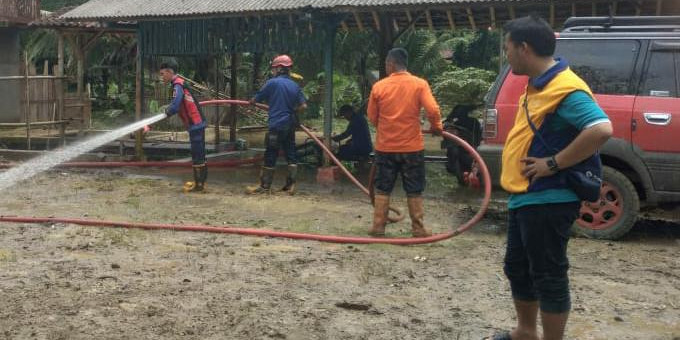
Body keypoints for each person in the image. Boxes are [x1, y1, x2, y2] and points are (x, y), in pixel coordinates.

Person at [487, 16, 613, 340]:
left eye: (508, 48)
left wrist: (553, 164)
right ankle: (525, 332)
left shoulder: (565, 89)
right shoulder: (538, 84)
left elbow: (600, 129)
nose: (507, 55)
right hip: (526, 196)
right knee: (518, 267)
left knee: (547, 273)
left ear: (523, 48)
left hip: (549, 197)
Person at [366, 47, 443, 238]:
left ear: (390, 64)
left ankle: (378, 227)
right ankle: (418, 228)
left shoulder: (379, 87)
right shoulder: (419, 84)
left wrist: (385, 127)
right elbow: (433, 110)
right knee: (414, 187)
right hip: (412, 148)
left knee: (383, 187)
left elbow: (372, 116)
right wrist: (437, 127)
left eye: (386, 64)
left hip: (385, 147)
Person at [246, 54, 307, 195]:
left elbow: (255, 99)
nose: (273, 71)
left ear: (279, 68)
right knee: (291, 153)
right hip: (290, 124)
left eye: (274, 68)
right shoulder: (294, 86)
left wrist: (251, 102)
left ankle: (265, 186)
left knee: (271, 154)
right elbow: (304, 106)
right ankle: (290, 186)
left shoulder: (272, 83)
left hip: (277, 124)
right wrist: (292, 110)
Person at [159, 61, 208, 192]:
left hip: (195, 124)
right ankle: (200, 183)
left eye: (162, 74)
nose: (161, 77)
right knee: (199, 153)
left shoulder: (177, 85)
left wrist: (166, 112)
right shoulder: (179, 83)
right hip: (197, 123)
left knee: (197, 154)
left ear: (170, 72)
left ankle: (199, 186)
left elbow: (175, 106)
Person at [442, 104, 482, 184]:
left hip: (468, 154)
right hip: (470, 153)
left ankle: (464, 177)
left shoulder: (455, 124)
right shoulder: (474, 122)